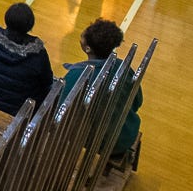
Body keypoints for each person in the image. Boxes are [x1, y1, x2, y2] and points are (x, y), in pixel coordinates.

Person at [59, 19, 142, 163]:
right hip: (125, 134)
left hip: (95, 142)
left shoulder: (77, 76)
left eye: (82, 37)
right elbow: (137, 101)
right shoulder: (123, 66)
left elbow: (61, 114)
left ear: (88, 48)